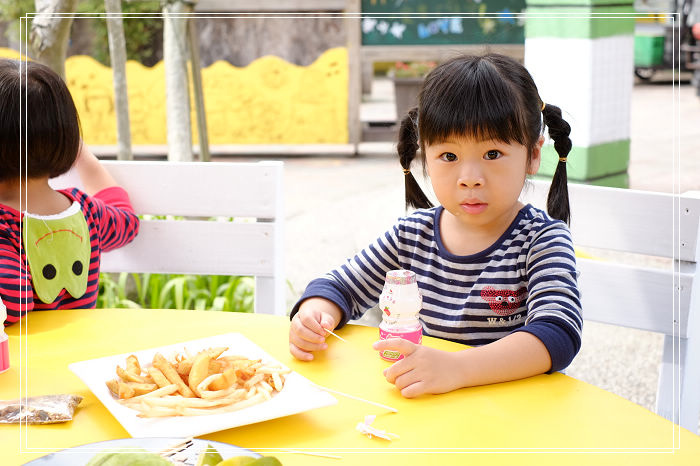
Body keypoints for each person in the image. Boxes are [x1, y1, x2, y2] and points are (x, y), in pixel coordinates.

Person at [288, 53, 582, 398]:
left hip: (512, 418)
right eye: (449, 156)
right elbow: (341, 287)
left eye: (492, 154)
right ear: (424, 155)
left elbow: (557, 334)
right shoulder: (412, 235)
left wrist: (457, 369)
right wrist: (314, 315)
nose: (469, 179)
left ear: (533, 155)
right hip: (430, 409)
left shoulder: (541, 241)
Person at [0, 59, 140, 325]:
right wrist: (83, 156)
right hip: (79, 357)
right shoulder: (86, 211)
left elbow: (12, 303)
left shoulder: (5, 224)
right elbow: (126, 221)